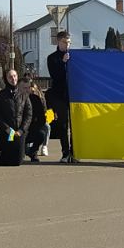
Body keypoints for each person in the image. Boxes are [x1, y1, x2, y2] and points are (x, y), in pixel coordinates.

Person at [0, 68, 31, 166]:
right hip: (6, 132)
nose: (13, 79)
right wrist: (7, 128)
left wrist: (22, 130)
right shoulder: (0, 96)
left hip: (19, 132)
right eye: (10, 77)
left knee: (18, 161)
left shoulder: (24, 95)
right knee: (7, 160)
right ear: (6, 79)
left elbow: (28, 114)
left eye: (14, 76)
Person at [47, 30, 75, 163]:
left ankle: (74, 152)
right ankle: (65, 152)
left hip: (74, 95)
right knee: (63, 126)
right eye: (64, 42)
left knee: (75, 125)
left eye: (69, 42)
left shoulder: (74, 56)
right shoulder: (52, 58)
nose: (67, 45)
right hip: (60, 96)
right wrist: (63, 63)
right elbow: (56, 76)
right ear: (58, 42)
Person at [24, 78, 50, 163]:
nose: (27, 90)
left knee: (42, 133)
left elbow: (41, 118)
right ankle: (22, 151)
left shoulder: (36, 99)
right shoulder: (15, 98)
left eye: (28, 87)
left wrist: (34, 126)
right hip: (17, 131)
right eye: (24, 87)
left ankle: (33, 151)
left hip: (31, 128)